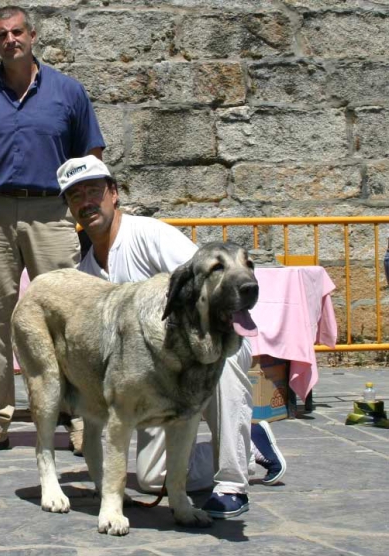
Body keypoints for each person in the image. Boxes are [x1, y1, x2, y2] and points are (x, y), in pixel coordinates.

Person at [57, 155, 287, 518]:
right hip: (157, 375)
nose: (85, 202)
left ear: (113, 193)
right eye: (74, 197)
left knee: (218, 359)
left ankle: (231, 481)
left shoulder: (149, 234)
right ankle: (249, 444)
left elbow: (208, 273)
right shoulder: (87, 269)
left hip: (213, 342)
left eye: (93, 191)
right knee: (151, 479)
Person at [0, 5, 105, 456]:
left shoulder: (68, 93)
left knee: (67, 318)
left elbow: (88, 155)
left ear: (33, 36)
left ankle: (77, 415)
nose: (10, 40)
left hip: (51, 213)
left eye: (17, 32)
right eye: (1, 35)